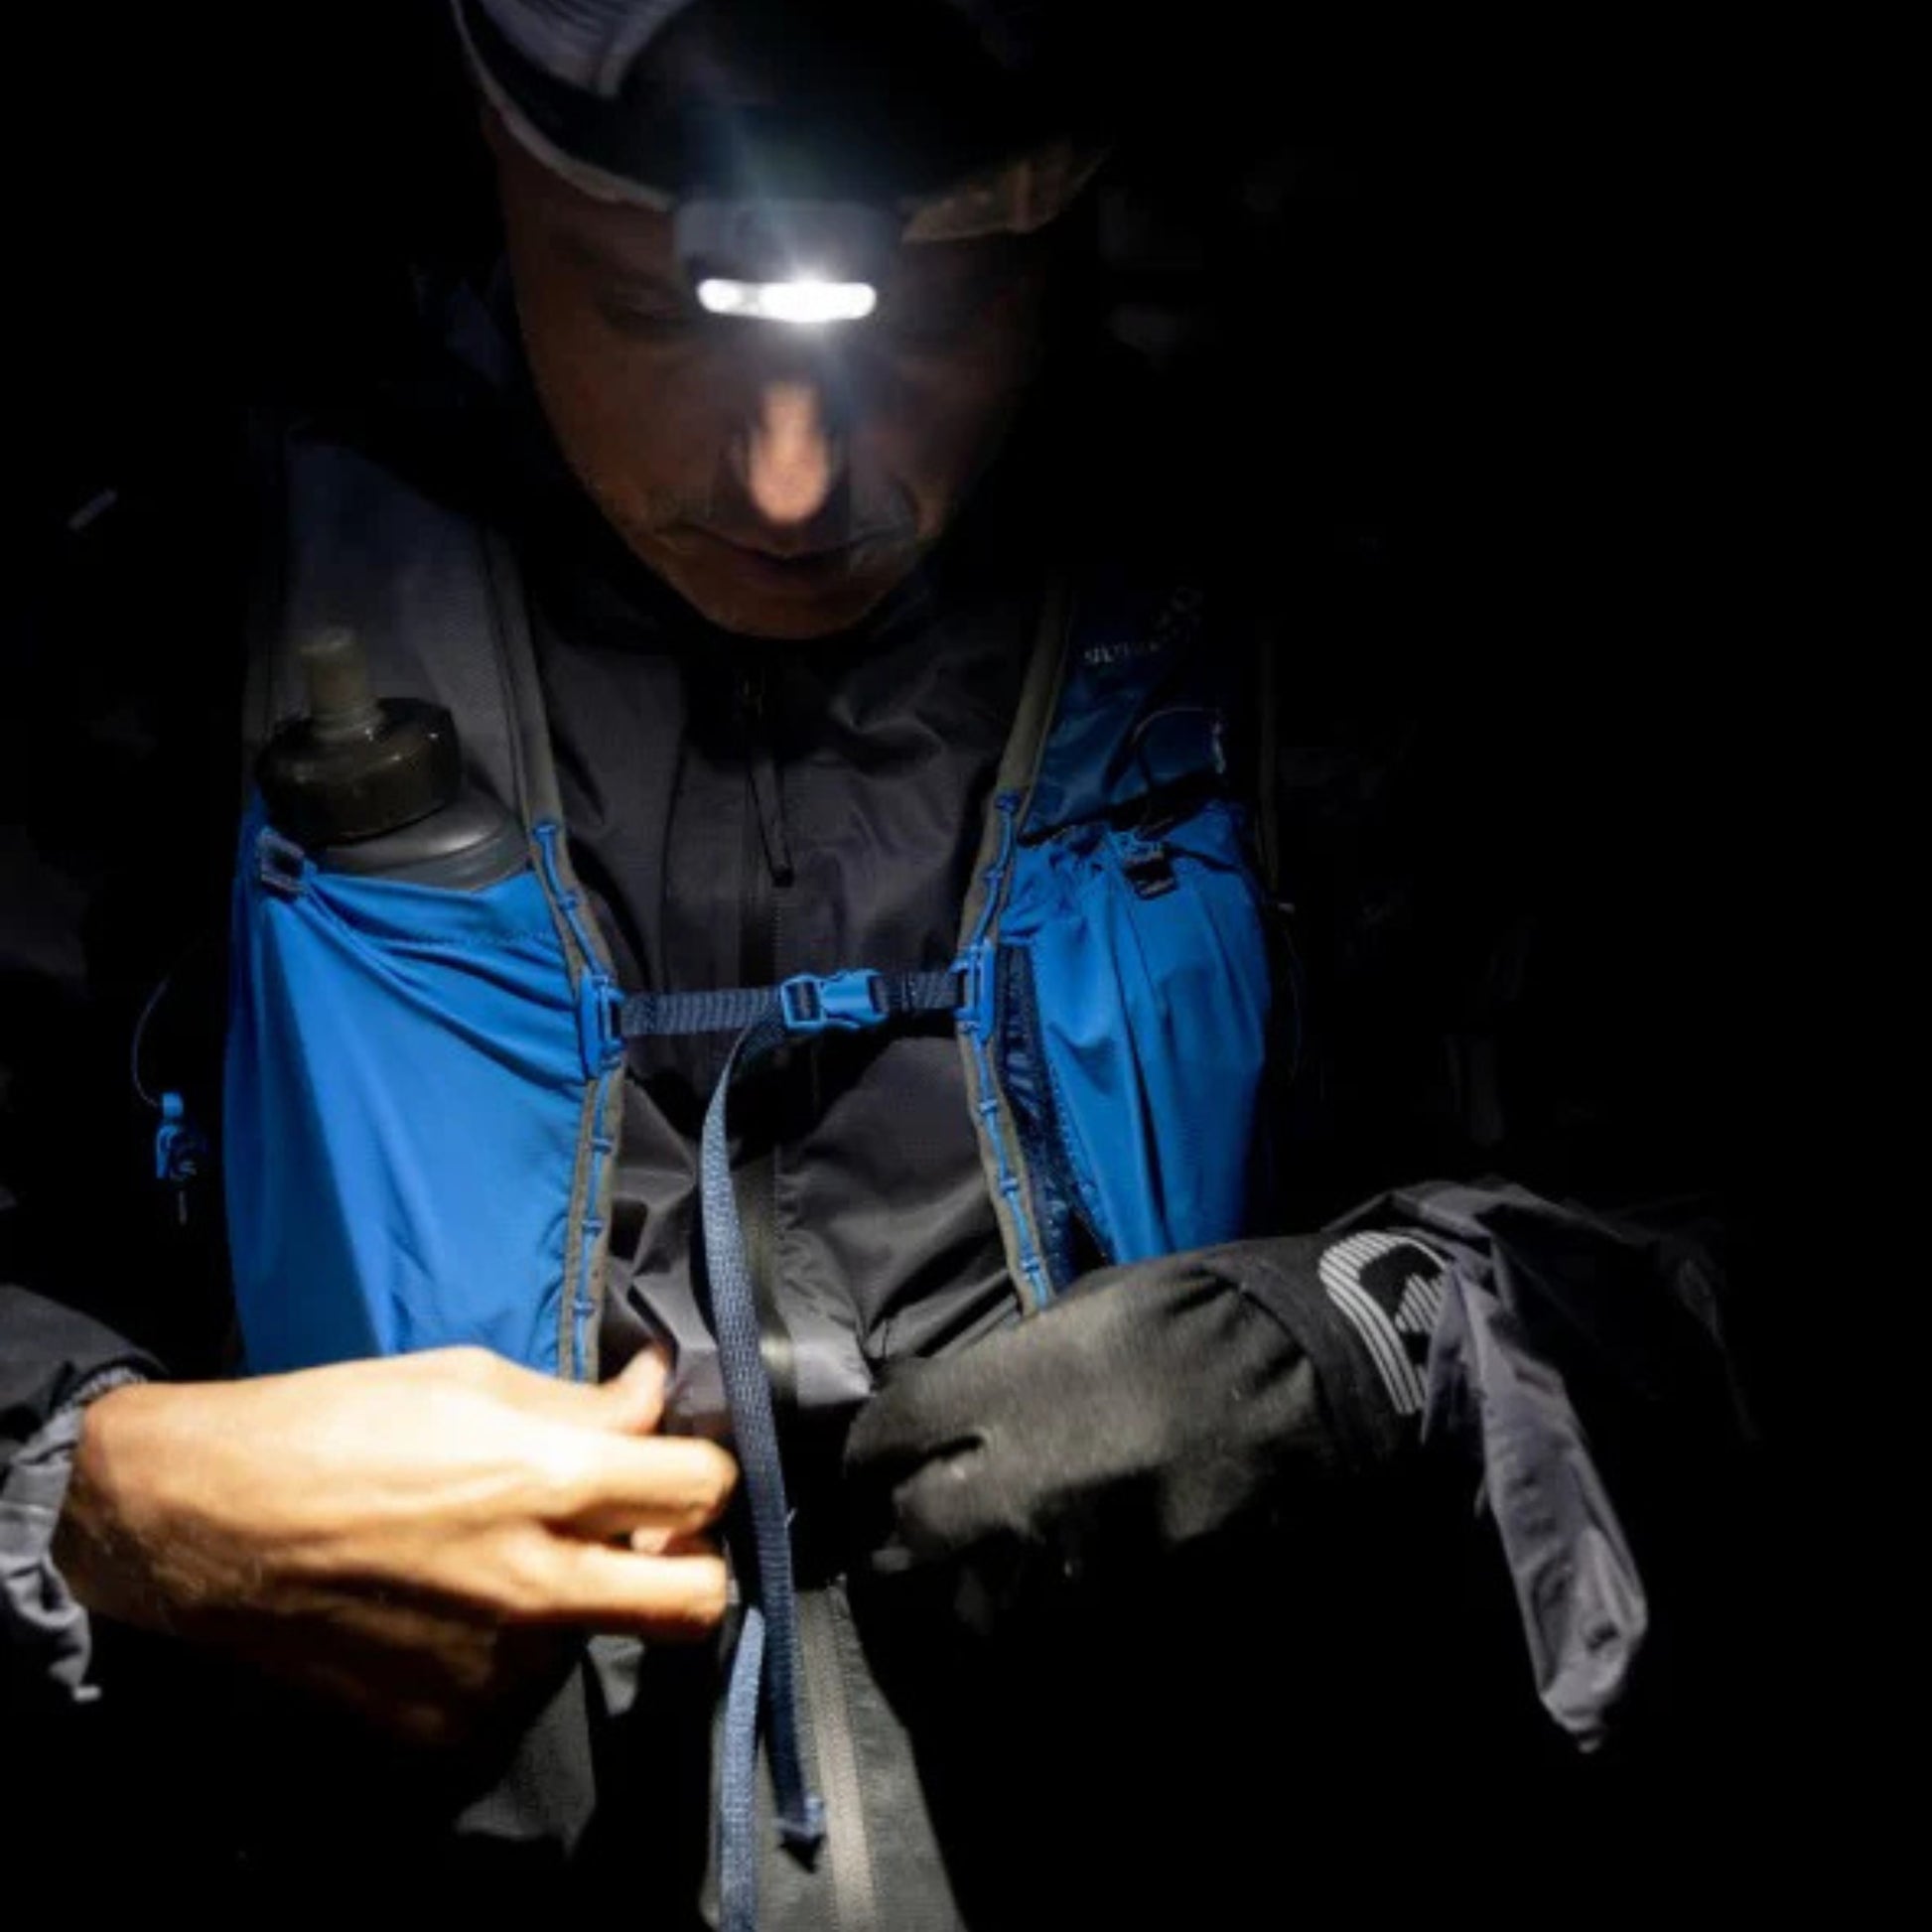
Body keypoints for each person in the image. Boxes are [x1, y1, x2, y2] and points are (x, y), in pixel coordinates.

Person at [3, 1, 1764, 1919]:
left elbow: (1712, 1240)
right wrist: (108, 1490)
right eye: (657, 317)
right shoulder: (170, 593)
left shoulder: (1338, 595)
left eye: (919, 319)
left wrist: (1372, 1345)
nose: (785, 483)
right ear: (492, 169)